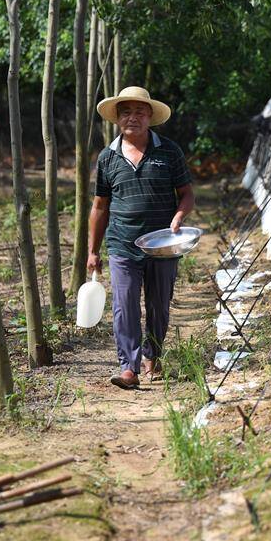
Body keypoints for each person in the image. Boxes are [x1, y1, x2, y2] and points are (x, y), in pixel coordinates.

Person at [88, 86, 195, 389]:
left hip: (163, 243)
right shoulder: (107, 158)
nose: (132, 117)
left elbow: (187, 195)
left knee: (159, 304)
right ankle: (128, 367)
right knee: (125, 304)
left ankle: (153, 356)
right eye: (126, 112)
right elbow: (99, 206)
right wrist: (92, 251)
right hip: (122, 242)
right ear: (117, 119)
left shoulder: (169, 152)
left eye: (139, 112)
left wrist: (179, 216)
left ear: (150, 116)